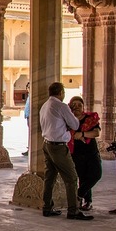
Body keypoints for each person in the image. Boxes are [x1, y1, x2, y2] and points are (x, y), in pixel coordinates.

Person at [40, 82, 92, 220]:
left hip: (47, 144)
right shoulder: (61, 106)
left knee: (49, 177)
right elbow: (75, 124)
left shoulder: (45, 105)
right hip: (58, 146)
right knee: (71, 178)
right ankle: (73, 210)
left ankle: (47, 207)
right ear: (61, 92)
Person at [67, 96, 101, 211]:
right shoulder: (68, 120)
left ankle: (79, 194)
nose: (76, 107)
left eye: (79, 105)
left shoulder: (90, 118)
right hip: (76, 153)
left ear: (83, 107)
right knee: (82, 177)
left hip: (91, 152)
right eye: (74, 105)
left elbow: (96, 133)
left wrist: (82, 134)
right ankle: (87, 201)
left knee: (96, 174)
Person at [23, 82, 31, 156]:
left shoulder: (33, 96)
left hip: (32, 117)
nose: (29, 88)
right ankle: (29, 148)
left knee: (32, 134)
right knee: (30, 134)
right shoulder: (29, 96)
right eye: (28, 87)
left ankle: (30, 149)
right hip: (28, 117)